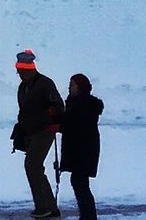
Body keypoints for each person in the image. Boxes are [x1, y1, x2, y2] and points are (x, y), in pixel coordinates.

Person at [14, 48, 64, 220]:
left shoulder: (45, 84)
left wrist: (43, 118)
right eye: (19, 72)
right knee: (36, 168)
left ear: (32, 69)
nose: (21, 75)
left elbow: (58, 106)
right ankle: (50, 208)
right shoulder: (23, 87)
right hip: (30, 133)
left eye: (24, 71)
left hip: (44, 131)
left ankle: (43, 207)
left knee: (32, 166)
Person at [60, 73, 104, 220]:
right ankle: (87, 216)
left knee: (80, 183)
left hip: (83, 151)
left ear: (80, 87)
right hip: (82, 149)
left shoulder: (82, 104)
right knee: (79, 182)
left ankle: (88, 216)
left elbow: (73, 124)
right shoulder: (76, 102)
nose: (69, 87)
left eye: (72, 84)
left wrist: (59, 122)